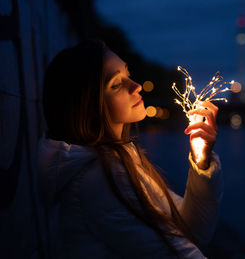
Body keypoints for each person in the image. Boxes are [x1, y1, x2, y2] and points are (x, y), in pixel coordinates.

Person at [37, 40, 223, 258]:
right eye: (116, 85)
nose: (136, 86)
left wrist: (202, 160)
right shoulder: (100, 179)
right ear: (89, 108)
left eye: (128, 73)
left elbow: (190, 232)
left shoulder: (124, 160)